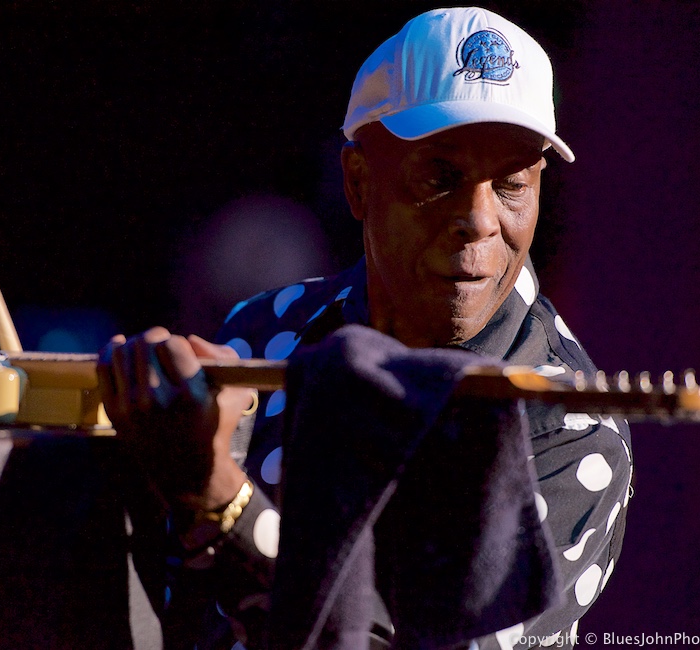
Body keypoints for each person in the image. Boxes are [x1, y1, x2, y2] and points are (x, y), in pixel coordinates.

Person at [99, 7, 632, 650]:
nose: (481, 220)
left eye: (512, 184)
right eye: (442, 177)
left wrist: (220, 499)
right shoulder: (265, 333)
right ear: (357, 182)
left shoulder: (568, 427)